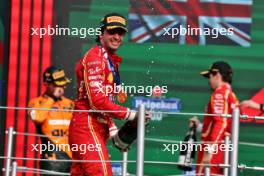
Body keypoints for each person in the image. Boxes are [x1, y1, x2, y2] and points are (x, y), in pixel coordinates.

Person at [69, 13, 150, 176]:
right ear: (101, 34)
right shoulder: (95, 58)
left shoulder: (109, 60)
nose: (117, 37)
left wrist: (113, 129)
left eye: (120, 33)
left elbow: (104, 101)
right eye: (112, 32)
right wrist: (131, 114)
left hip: (95, 127)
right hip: (87, 127)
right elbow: (97, 101)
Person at [191, 61, 239, 175]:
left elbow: (220, 123)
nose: (208, 80)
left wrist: (210, 149)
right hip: (222, 147)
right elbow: (223, 124)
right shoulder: (231, 94)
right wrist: (199, 126)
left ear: (217, 75)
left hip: (214, 149)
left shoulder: (220, 94)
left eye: (209, 76)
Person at [28, 66, 74, 175]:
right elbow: (38, 118)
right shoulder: (35, 103)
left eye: (62, 84)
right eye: (57, 84)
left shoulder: (70, 104)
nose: (61, 88)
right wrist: (51, 98)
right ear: (47, 84)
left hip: (73, 157)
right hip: (51, 158)